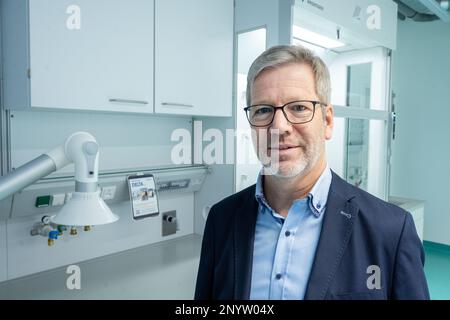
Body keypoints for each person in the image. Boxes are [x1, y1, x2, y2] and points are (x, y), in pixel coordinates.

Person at [194, 45, 429, 300]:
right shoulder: (222, 220)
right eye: (263, 110)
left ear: (327, 121)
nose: (279, 127)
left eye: (298, 107)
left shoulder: (390, 230)